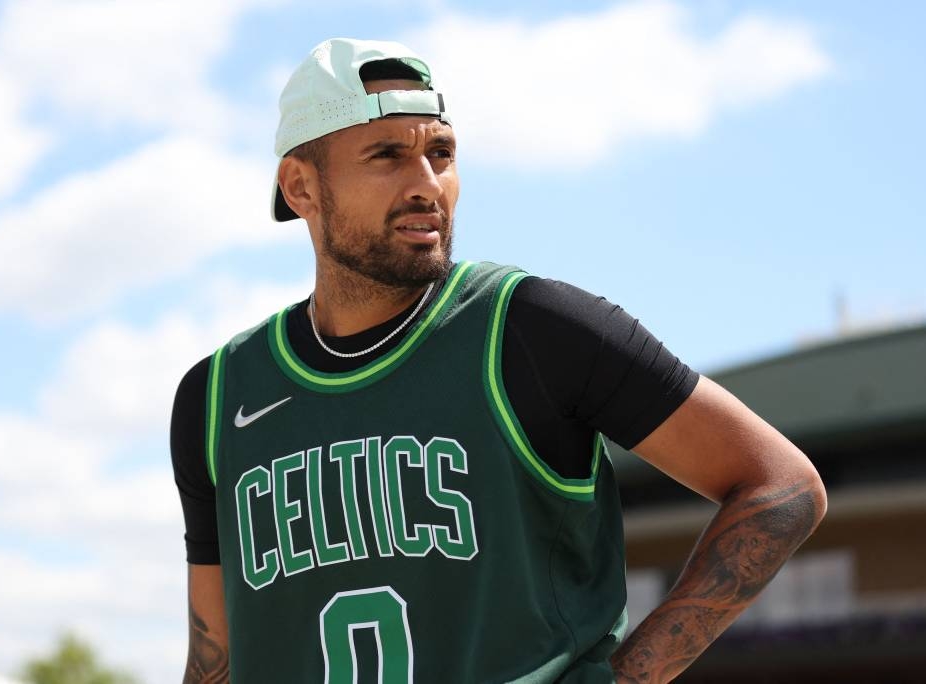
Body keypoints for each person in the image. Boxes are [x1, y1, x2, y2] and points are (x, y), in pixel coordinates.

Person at [170, 37, 826, 683]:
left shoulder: (535, 328)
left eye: (441, 153)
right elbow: (213, 658)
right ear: (301, 187)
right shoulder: (217, 395)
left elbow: (783, 486)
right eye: (387, 155)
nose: (427, 185)